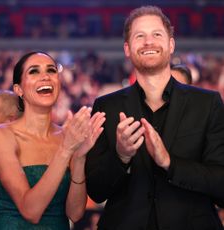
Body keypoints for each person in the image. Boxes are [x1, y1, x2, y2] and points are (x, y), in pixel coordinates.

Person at [85, 5, 224, 230]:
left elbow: (221, 184)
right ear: (127, 49)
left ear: (171, 44)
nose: (148, 42)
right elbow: (96, 190)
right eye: (140, 36)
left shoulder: (208, 104)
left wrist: (170, 163)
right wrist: (121, 156)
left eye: (156, 34)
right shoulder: (106, 106)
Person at [0, 51, 105, 229]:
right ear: (19, 89)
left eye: (51, 71)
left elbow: (75, 213)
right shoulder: (1, 136)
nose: (45, 76)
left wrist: (79, 157)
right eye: (34, 71)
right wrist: (65, 150)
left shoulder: (68, 137)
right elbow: (30, 211)